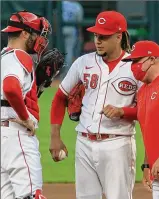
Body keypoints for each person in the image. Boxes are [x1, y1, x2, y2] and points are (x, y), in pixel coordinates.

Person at [50, 10, 140, 199]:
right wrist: (55, 137)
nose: (98, 40)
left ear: (119, 36)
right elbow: (60, 97)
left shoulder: (135, 67)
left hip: (118, 144)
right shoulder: (84, 62)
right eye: (96, 34)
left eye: (104, 36)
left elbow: (148, 110)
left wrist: (124, 112)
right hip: (84, 142)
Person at [1, 10, 51, 199]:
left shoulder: (3, 57)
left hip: (3, 138)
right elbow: (11, 89)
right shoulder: (20, 56)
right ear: (24, 34)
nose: (40, 40)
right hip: (16, 137)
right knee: (32, 195)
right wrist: (25, 117)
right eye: (37, 34)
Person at [123, 40, 159, 199]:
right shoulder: (142, 91)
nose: (132, 66)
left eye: (136, 61)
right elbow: (151, 130)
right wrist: (147, 164)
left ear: (152, 59)